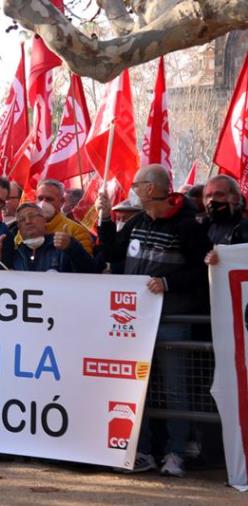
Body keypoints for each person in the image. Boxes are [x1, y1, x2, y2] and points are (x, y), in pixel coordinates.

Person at [96, 164, 211, 477]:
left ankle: (176, 452)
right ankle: (141, 450)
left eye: (137, 183)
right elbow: (112, 253)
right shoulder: (137, 221)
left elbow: (204, 270)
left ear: (151, 188)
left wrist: (168, 283)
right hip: (135, 321)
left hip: (172, 317)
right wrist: (105, 220)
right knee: (136, 388)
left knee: (176, 389)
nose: (133, 187)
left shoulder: (188, 226)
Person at [15, 179, 94, 255]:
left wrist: (70, 246)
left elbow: (85, 265)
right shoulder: (26, 229)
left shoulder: (77, 231)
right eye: (40, 198)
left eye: (49, 199)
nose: (43, 203)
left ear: (62, 201)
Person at [12, 203, 93, 273]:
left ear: (44, 220)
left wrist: (71, 247)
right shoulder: (15, 255)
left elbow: (89, 271)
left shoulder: (63, 246)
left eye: (32, 216)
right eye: (22, 219)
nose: (27, 221)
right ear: (18, 227)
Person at [202, 175, 248, 265]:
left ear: (235, 197)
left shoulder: (244, 227)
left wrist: (223, 259)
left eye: (219, 194)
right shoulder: (204, 226)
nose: (212, 200)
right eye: (208, 196)